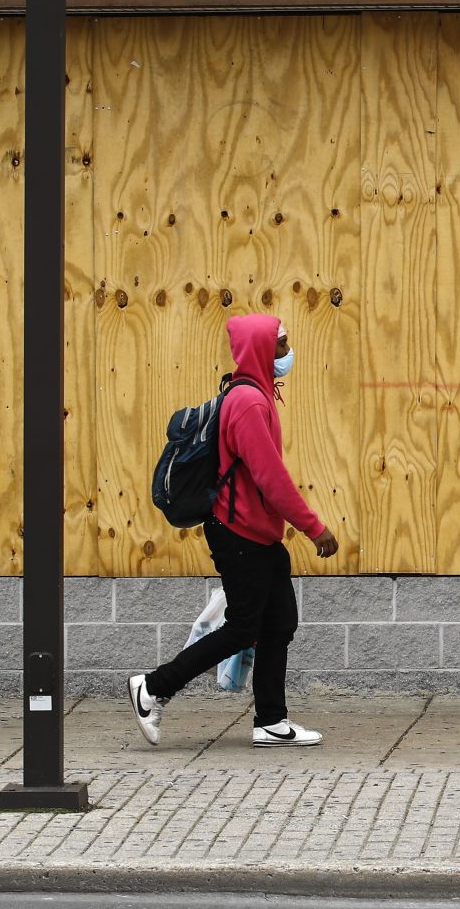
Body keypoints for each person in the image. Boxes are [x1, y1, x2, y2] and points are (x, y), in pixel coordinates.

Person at [129, 314, 339, 747]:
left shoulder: (258, 395)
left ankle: (270, 721)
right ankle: (152, 688)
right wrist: (314, 528)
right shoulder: (247, 403)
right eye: (281, 346)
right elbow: (270, 477)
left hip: (258, 534)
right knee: (244, 626)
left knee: (279, 623)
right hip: (239, 533)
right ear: (262, 350)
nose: (287, 353)